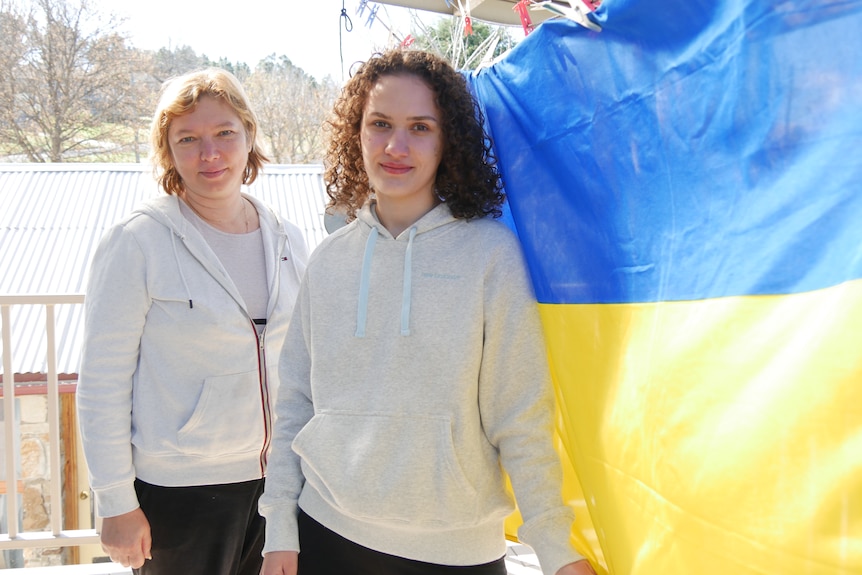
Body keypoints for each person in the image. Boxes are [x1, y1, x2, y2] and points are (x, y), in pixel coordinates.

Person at [259, 49, 597, 575]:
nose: (397, 146)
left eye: (420, 127)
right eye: (380, 124)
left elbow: (520, 414)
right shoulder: (327, 260)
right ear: (357, 134)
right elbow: (296, 404)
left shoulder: (490, 254)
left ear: (448, 142)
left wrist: (554, 547)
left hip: (459, 552)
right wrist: (279, 527)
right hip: (325, 533)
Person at [76, 68, 308, 575]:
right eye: (189, 139)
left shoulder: (288, 238)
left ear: (248, 135)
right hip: (178, 495)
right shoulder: (137, 242)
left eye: (225, 133)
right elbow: (101, 382)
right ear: (168, 150)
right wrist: (115, 501)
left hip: (280, 489)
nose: (211, 153)